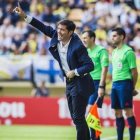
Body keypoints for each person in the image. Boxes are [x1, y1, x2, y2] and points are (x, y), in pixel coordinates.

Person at [13, 3, 95, 140]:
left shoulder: (78, 46)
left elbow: (90, 65)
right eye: (58, 29)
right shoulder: (56, 36)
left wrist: (74, 72)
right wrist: (25, 16)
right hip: (69, 83)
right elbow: (42, 27)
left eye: (62, 30)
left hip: (80, 83)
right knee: (77, 118)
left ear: (70, 33)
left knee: (78, 118)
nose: (58, 31)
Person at [111, 27, 138, 140]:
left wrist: (132, 87)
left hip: (124, 84)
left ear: (121, 37)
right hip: (114, 85)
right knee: (117, 114)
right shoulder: (114, 52)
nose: (112, 38)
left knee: (128, 112)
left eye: (114, 36)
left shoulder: (128, 51)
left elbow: (134, 72)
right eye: (111, 36)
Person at [82, 30, 109, 140]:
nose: (83, 40)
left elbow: (104, 70)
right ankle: (95, 138)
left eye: (85, 38)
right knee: (91, 114)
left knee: (89, 111)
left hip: (97, 84)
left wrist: (101, 86)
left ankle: (92, 137)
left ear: (92, 38)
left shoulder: (101, 51)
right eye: (82, 38)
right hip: (86, 84)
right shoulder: (85, 52)